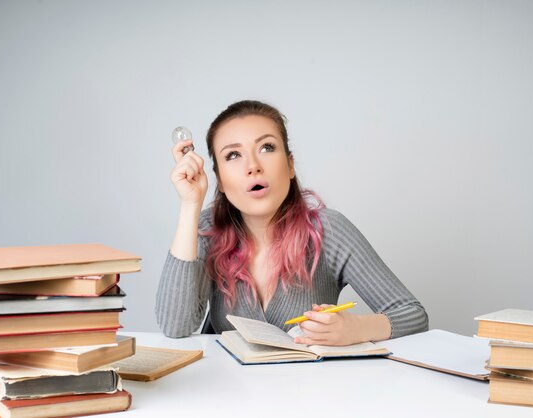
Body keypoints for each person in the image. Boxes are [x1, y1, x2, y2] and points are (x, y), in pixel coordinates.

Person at [156, 100, 428, 346]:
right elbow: (174, 326)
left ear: (289, 165)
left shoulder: (328, 230)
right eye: (233, 155)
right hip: (226, 396)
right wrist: (190, 205)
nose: (253, 166)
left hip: (309, 396)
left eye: (267, 147)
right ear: (220, 180)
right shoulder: (208, 230)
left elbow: (413, 315)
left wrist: (356, 328)